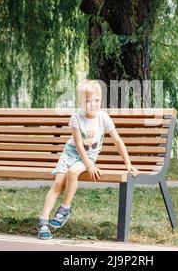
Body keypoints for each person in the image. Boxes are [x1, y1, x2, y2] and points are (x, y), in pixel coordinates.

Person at [37, 79, 139, 239]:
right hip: (71, 153)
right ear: (80, 102)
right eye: (88, 101)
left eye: (96, 100)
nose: (93, 104)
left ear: (101, 100)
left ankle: (65, 208)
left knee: (72, 172)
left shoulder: (103, 118)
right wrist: (90, 167)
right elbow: (77, 144)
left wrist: (128, 164)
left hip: (88, 156)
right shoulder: (76, 118)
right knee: (58, 183)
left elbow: (117, 141)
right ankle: (43, 220)